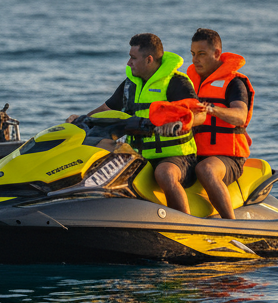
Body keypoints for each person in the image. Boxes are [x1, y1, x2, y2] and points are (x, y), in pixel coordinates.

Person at [67, 33, 198, 213]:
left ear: (149, 59)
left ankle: (186, 224)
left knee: (164, 174)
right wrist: (81, 120)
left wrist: (180, 123)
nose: (128, 63)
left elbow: (199, 114)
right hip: (138, 153)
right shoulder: (130, 84)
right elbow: (107, 109)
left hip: (176, 156)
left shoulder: (177, 83)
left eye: (133, 58)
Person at [186, 27, 254, 219]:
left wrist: (212, 109)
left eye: (201, 54)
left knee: (205, 169)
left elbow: (240, 116)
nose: (195, 59)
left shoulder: (234, 83)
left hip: (228, 158)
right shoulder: (190, 81)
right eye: (192, 54)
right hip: (194, 153)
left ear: (216, 53)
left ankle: (231, 225)